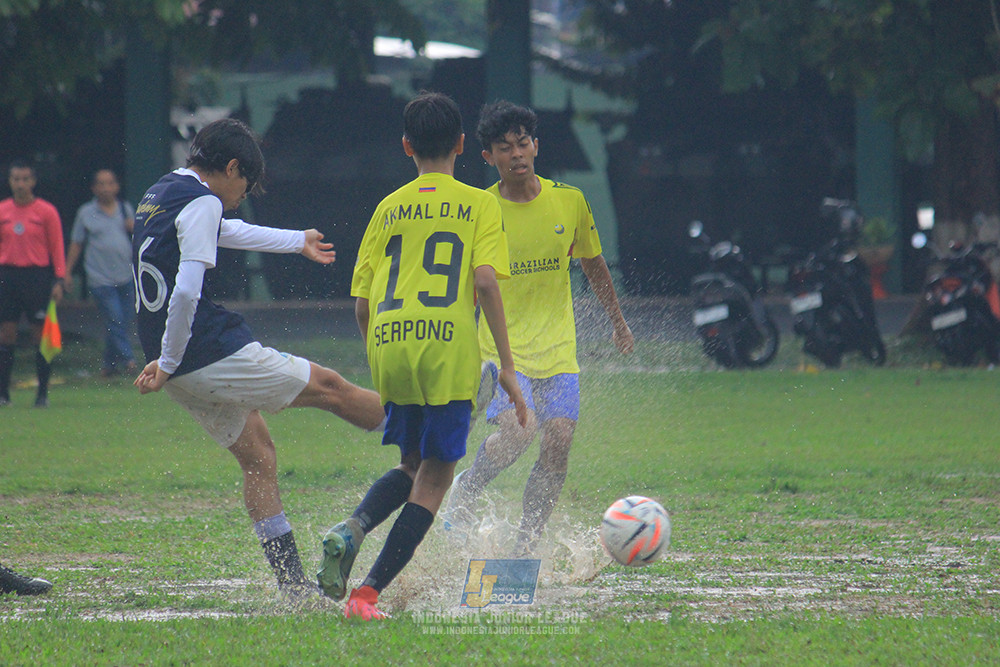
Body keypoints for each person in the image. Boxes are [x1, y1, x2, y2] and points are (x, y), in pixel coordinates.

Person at [131, 118, 386, 603]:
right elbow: (186, 289)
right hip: (201, 351)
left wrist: (295, 241)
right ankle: (423, 426)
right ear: (231, 167)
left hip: (181, 364)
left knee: (257, 455)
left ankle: (291, 585)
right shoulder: (205, 200)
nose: (241, 194)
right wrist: (168, 359)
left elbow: (226, 232)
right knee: (330, 387)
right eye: (244, 183)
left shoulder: (163, 191)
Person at [317, 92, 527, 621]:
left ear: (406, 146)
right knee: (435, 478)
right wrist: (506, 364)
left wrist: (380, 360)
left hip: (389, 346)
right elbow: (483, 281)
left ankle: (353, 528)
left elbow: (362, 305)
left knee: (411, 464)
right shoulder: (480, 204)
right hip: (446, 348)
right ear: (462, 144)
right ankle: (366, 597)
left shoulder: (386, 207)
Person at [441, 100, 635, 556]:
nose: (516, 155)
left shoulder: (568, 200)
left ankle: (527, 542)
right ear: (487, 157)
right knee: (518, 435)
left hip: (558, 351)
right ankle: (467, 486)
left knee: (559, 442)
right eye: (504, 148)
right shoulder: (480, 209)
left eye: (523, 143)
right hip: (501, 351)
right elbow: (466, 284)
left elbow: (592, 263)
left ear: (535, 145)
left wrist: (618, 322)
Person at [0, 160, 66, 408]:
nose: (21, 184)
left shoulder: (46, 211)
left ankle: (42, 394)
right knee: (6, 334)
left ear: (33, 181)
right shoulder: (3, 210)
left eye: (25, 179)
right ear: (10, 181)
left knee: (41, 335)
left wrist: (59, 279)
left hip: (37, 277)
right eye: (16, 179)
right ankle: (3, 393)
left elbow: (56, 246)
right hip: (8, 276)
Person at [65, 169, 138, 377]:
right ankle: (129, 360)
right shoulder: (86, 213)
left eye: (110, 183)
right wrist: (67, 272)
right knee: (114, 319)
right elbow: (77, 243)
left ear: (116, 186)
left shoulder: (125, 209)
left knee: (120, 322)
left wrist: (133, 228)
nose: (106, 188)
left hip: (125, 275)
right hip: (100, 278)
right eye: (101, 184)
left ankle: (108, 366)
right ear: (94, 188)